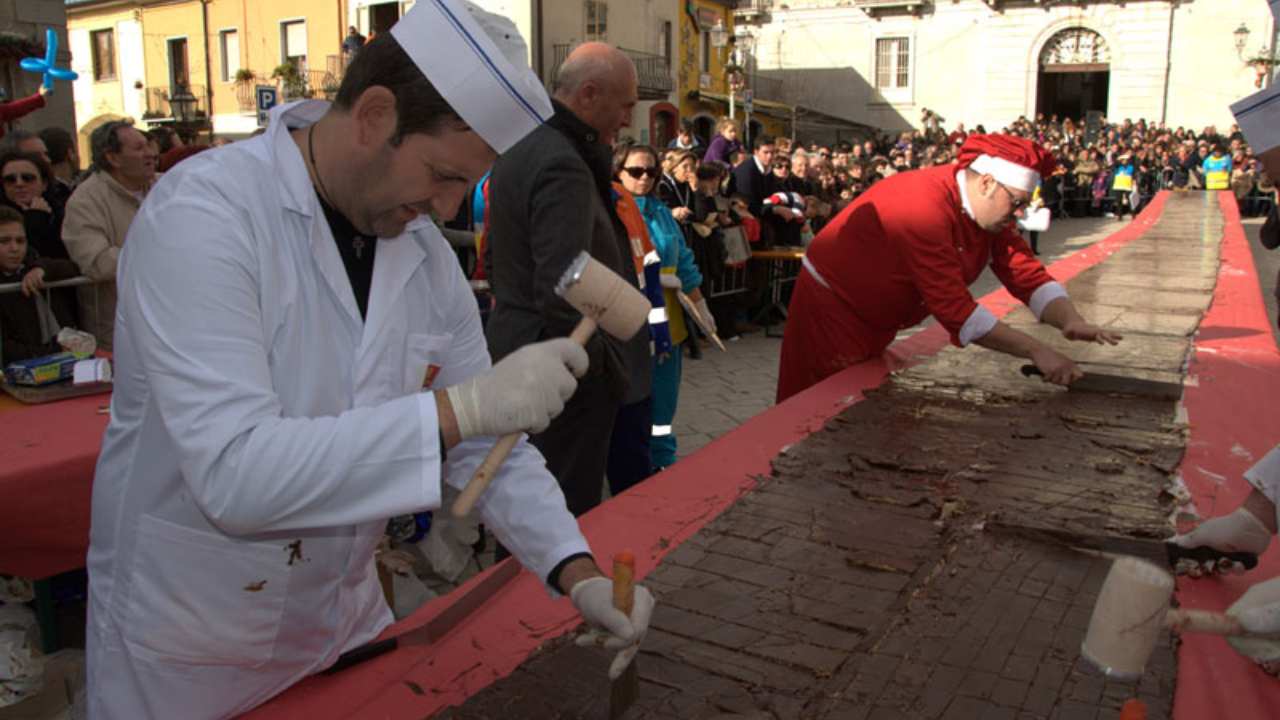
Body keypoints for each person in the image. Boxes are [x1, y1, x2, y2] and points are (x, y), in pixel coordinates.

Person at [84, 5, 653, 718]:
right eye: (443, 175)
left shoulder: (420, 257)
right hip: (195, 647)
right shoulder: (204, 217)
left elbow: (491, 450)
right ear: (374, 115)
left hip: (339, 627)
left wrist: (574, 571)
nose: (446, 208)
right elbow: (235, 473)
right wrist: (462, 408)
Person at [777, 134, 1122, 402]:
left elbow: (1023, 271)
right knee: (817, 413)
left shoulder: (989, 214)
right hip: (832, 315)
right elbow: (954, 309)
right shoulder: (921, 206)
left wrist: (1070, 320)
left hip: (877, 317)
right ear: (986, 183)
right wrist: (1037, 350)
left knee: (858, 403)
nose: (1019, 213)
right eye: (1016, 202)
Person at [484, 40, 650, 522]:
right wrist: (600, 368)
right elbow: (564, 283)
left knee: (527, 507)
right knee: (556, 514)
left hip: (523, 350)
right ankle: (549, 599)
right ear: (590, 94)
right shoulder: (562, 161)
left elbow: (497, 259)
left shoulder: (523, 146)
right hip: (559, 371)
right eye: (625, 106)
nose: (626, 120)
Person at [614, 143, 711, 471]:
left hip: (669, 328)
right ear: (618, 171)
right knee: (629, 405)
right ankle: (628, 467)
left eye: (651, 172)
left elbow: (682, 258)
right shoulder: (610, 209)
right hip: (627, 326)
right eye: (635, 171)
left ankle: (662, 461)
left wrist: (700, 304)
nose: (643, 178)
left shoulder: (660, 212)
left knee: (663, 404)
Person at [61, 120, 156, 350]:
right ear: (113, 158)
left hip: (168, 318)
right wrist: (161, 258)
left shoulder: (167, 186)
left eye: (148, 145)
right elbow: (97, 262)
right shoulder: (85, 200)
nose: (151, 153)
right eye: (139, 148)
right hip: (119, 330)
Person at [0, 205, 77, 364]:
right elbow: (7, 349)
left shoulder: (32, 263)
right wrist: (54, 352)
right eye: (4, 241)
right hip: (20, 368)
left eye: (20, 241)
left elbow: (73, 267)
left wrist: (41, 269)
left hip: (56, 360)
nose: (14, 248)